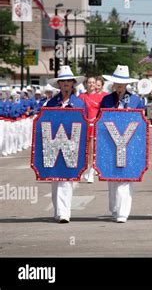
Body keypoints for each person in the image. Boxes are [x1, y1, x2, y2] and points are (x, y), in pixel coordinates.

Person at [99, 65, 145, 223]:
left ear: (126, 85)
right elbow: (100, 121)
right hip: (110, 144)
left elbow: (142, 122)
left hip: (130, 144)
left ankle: (123, 213)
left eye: (121, 84)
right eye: (116, 83)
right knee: (112, 178)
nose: (119, 86)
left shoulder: (136, 100)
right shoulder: (106, 100)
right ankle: (115, 208)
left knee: (126, 178)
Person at [45, 66, 86, 223]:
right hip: (54, 144)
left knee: (67, 179)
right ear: (59, 84)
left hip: (72, 145)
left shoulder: (80, 104)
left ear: (73, 83)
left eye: (69, 81)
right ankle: (58, 211)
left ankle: (64, 212)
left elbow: (85, 125)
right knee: (55, 179)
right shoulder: (51, 103)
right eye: (63, 81)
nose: (66, 84)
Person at [80, 76, 107, 183]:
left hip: (96, 125)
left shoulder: (101, 97)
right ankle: (81, 170)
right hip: (84, 125)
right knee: (83, 149)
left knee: (92, 149)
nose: (91, 84)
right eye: (89, 82)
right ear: (86, 84)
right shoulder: (81, 97)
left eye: (93, 82)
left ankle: (91, 171)